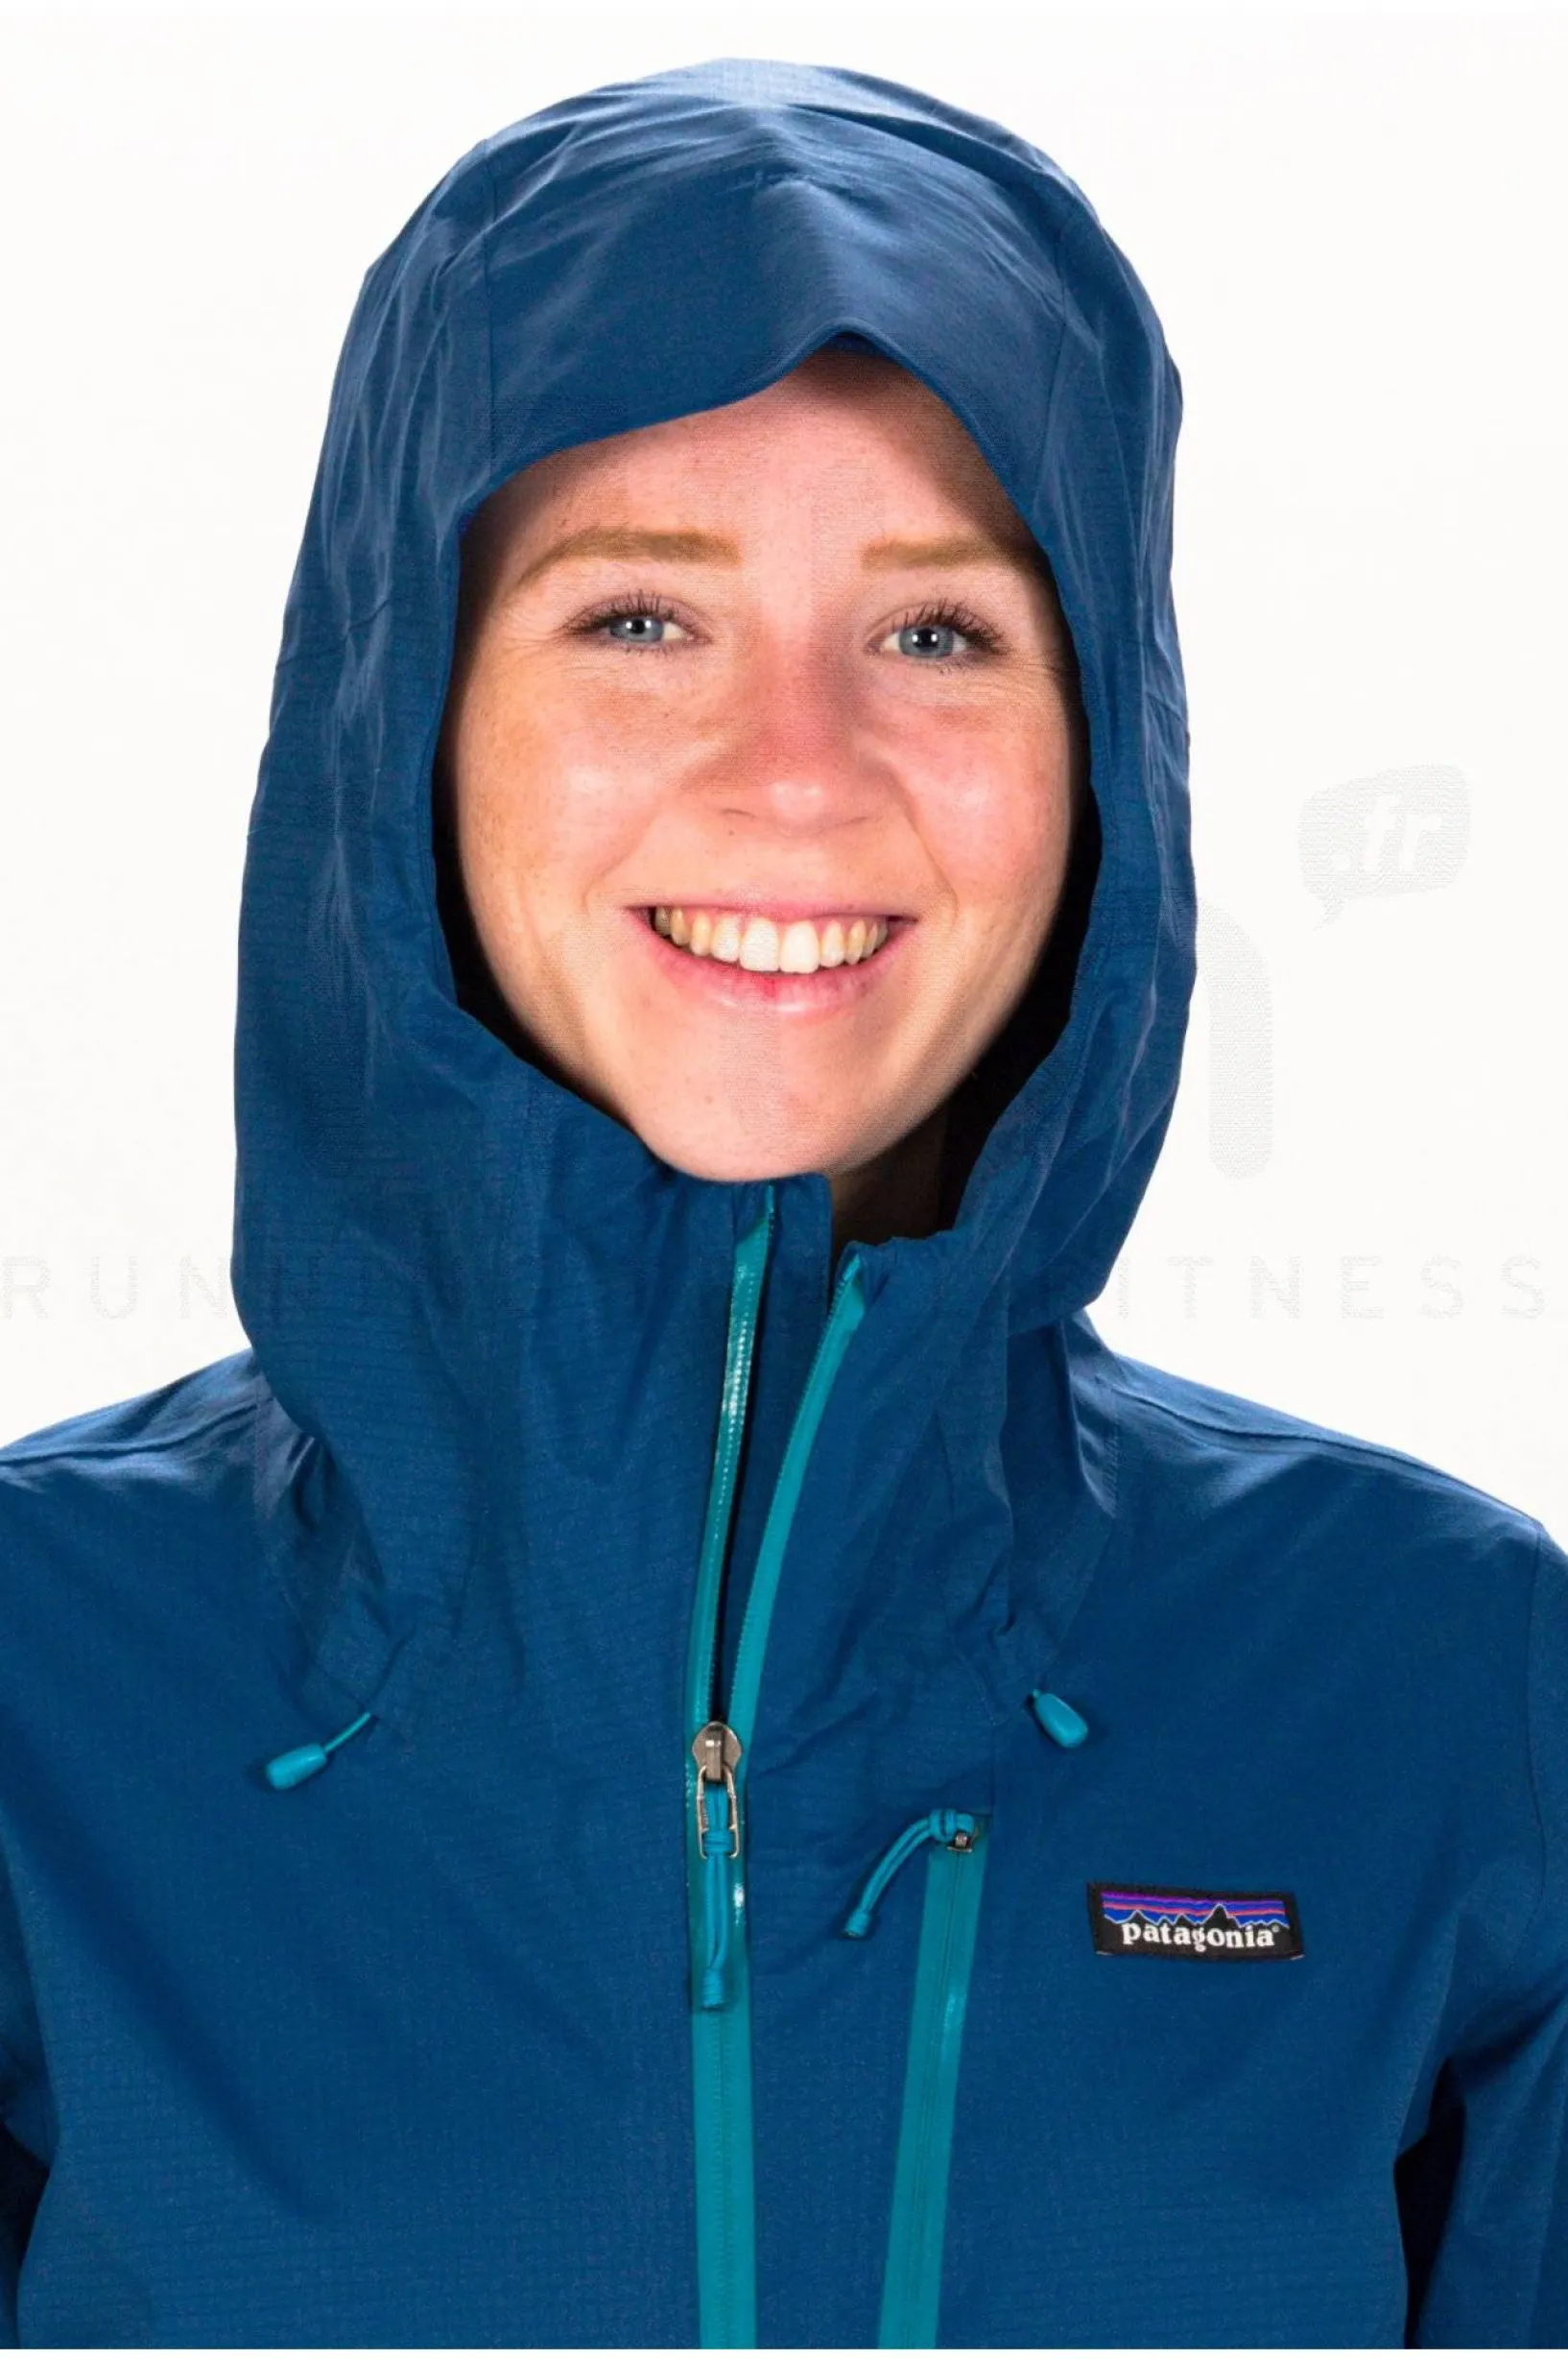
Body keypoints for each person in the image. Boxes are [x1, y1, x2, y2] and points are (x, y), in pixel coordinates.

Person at [0, 54, 1561, 2350]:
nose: (800, 775)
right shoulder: (40, 1677)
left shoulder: (1449, 1680)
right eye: (641, 618)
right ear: (404, 717)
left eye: (937, 633)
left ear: (1103, 761)